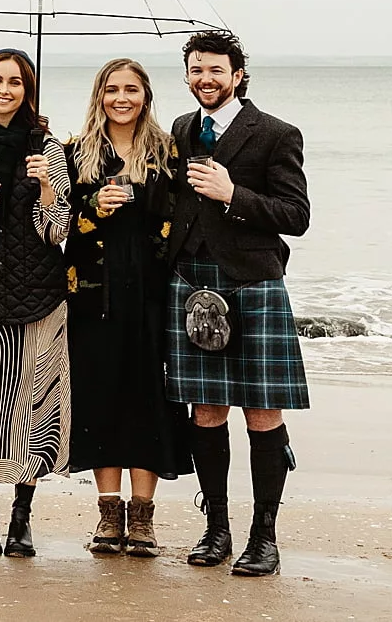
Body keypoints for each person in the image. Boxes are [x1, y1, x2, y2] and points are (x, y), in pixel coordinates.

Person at [165, 29, 309, 578]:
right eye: (196, 69)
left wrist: (234, 195)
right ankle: (217, 528)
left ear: (238, 75)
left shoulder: (276, 134)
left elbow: (296, 216)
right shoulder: (182, 129)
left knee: (262, 412)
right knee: (205, 411)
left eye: (216, 70)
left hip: (252, 282)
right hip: (190, 280)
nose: (205, 79)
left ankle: (264, 537)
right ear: (187, 74)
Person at [63, 57, 190, 558]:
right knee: (102, 397)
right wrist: (93, 209)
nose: (122, 98)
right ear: (99, 95)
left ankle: (143, 517)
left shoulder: (166, 151)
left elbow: (181, 217)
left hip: (152, 293)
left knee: (147, 399)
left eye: (131, 89)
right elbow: (56, 224)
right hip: (94, 295)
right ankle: (108, 513)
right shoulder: (75, 152)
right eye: (112, 89)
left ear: (146, 96)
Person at [0, 49, 71, 558]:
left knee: (33, 409)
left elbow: (58, 230)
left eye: (17, 82)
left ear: (29, 91)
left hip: (40, 293)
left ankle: (23, 516)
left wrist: (47, 184)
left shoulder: (48, 147)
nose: (5, 89)